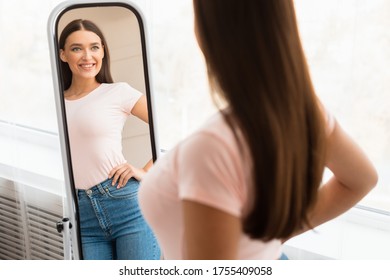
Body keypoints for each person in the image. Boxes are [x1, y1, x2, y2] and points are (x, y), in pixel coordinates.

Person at [138, 0, 378, 260]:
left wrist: (271, 237)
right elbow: (361, 179)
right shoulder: (304, 111)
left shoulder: (211, 148)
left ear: (210, 30)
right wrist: (271, 237)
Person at [58, 19, 160, 260]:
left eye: (94, 47)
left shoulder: (118, 92)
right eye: (76, 48)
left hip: (126, 204)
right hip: (81, 212)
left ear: (103, 50)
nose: (87, 56)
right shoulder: (55, 102)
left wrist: (147, 171)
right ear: (63, 55)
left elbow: (170, 129)